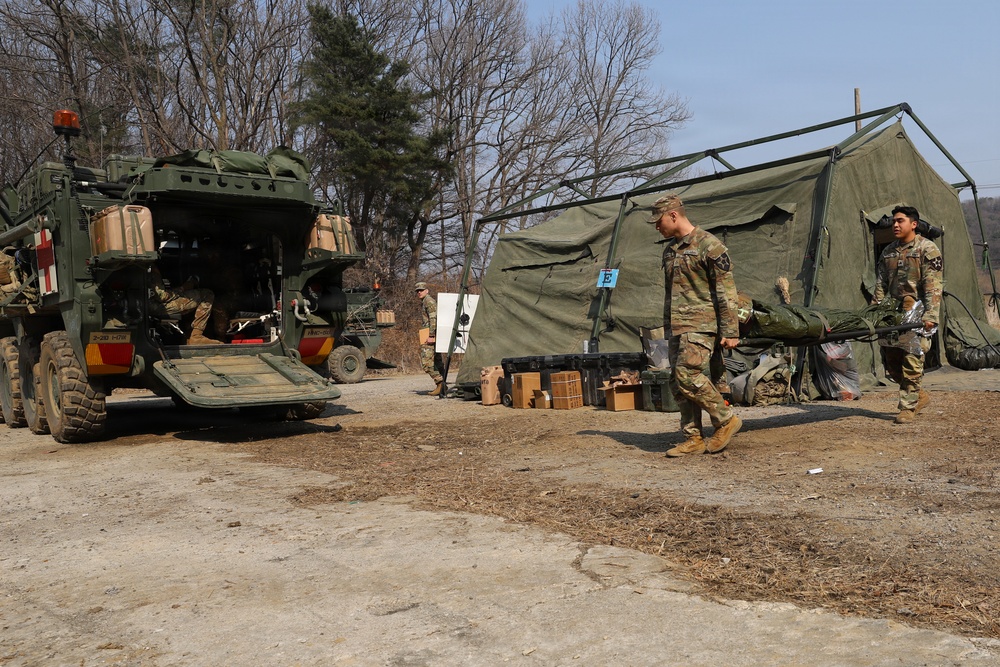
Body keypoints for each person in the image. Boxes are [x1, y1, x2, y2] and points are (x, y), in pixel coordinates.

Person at [650, 194, 742, 456]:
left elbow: (726, 292)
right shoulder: (670, 251)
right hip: (677, 326)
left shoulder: (709, 246)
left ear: (673, 215)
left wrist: (730, 331)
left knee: (688, 375)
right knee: (677, 383)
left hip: (701, 325)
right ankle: (694, 438)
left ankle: (725, 419)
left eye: (659, 221)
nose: (657, 227)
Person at [872, 205, 942, 424]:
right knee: (892, 363)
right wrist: (876, 310)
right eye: (894, 221)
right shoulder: (888, 251)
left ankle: (907, 408)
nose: (895, 224)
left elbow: (933, 286)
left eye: (900, 220)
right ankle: (919, 395)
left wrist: (930, 315)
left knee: (912, 359)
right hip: (893, 314)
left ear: (913, 224)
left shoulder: (927, 249)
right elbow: (881, 284)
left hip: (918, 312)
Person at [149, 264, 220, 346]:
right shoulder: (151, 268)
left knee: (189, 302)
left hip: (150, 306)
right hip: (157, 306)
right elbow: (163, 296)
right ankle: (196, 336)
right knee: (206, 294)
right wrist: (184, 288)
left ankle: (188, 337)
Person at [416, 281, 445, 395]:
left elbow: (434, 319)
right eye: (417, 291)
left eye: (421, 290)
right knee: (437, 361)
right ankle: (443, 386)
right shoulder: (425, 302)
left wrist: (431, 336)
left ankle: (440, 382)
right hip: (429, 333)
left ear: (427, 291)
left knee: (426, 363)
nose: (419, 292)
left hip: (430, 335)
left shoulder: (429, 301)